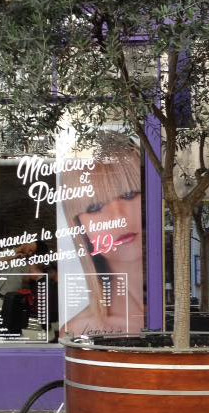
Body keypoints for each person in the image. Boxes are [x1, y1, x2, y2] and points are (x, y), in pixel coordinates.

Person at [59, 131, 145, 337]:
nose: (118, 216)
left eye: (129, 194)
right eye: (95, 207)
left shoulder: (179, 317)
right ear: (80, 225)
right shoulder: (78, 331)